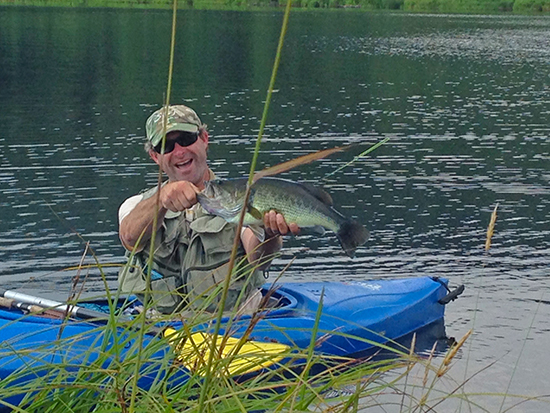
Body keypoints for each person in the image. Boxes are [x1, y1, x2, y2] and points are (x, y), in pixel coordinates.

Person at [118, 104, 299, 315]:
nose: (179, 151)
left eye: (186, 140)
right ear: (155, 157)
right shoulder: (136, 205)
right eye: (166, 146)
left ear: (204, 139)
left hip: (234, 327)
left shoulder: (238, 197)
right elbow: (130, 237)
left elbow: (258, 258)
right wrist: (161, 200)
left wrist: (270, 234)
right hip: (161, 329)